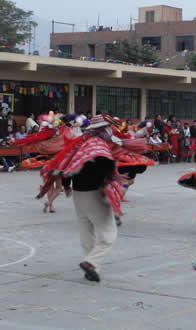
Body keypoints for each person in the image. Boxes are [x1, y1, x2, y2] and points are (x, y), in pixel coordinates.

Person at [36, 114, 148, 282]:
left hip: (79, 194)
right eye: (109, 127)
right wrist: (114, 175)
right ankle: (91, 262)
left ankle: (91, 267)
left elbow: (68, 162)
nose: (111, 130)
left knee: (86, 231)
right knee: (109, 234)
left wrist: (67, 186)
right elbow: (104, 162)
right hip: (93, 193)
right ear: (103, 129)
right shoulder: (98, 145)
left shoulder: (81, 143)